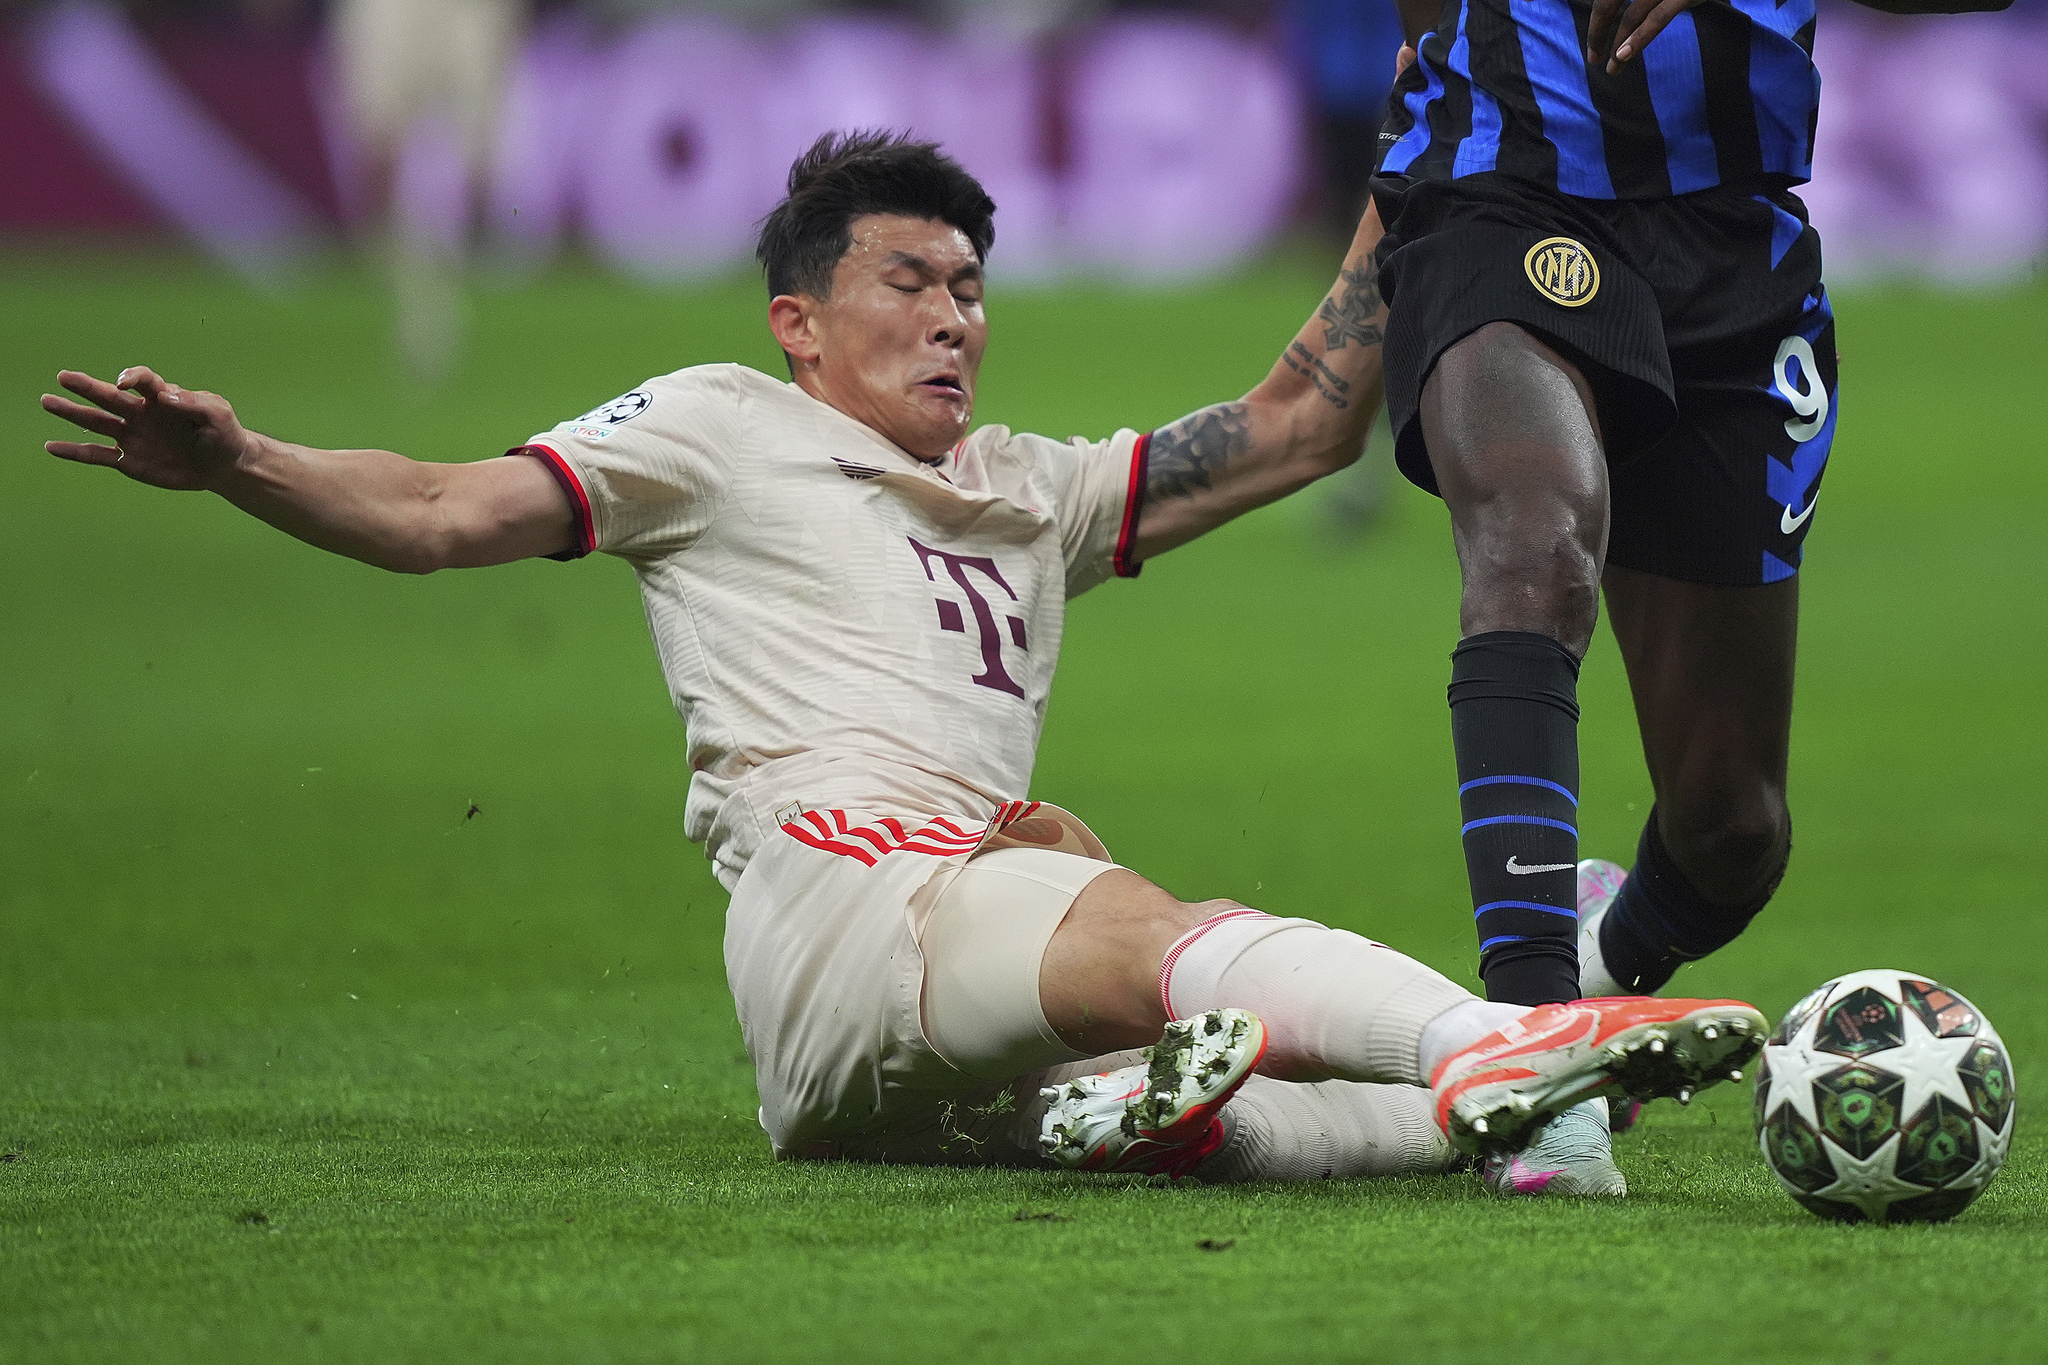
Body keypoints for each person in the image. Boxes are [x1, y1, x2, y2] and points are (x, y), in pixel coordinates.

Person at [40, 131, 1763, 1183]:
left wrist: (1423, 168)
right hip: (843, 901)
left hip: (935, 1001)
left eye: (971, 288)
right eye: (909, 283)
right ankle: (1504, 1035)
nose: (955, 316)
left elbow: (1300, 423)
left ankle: (1500, 1113)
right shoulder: (716, 427)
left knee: (1262, 1100)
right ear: (798, 324)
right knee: (1148, 925)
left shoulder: (1025, 487)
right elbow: (434, 509)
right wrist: (244, 460)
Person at [1369, 0, 2010, 1196]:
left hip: (1733, 254)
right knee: (1531, 548)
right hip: (1501, 195)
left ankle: (1597, 965)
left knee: (1730, 833)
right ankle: (1533, 1065)